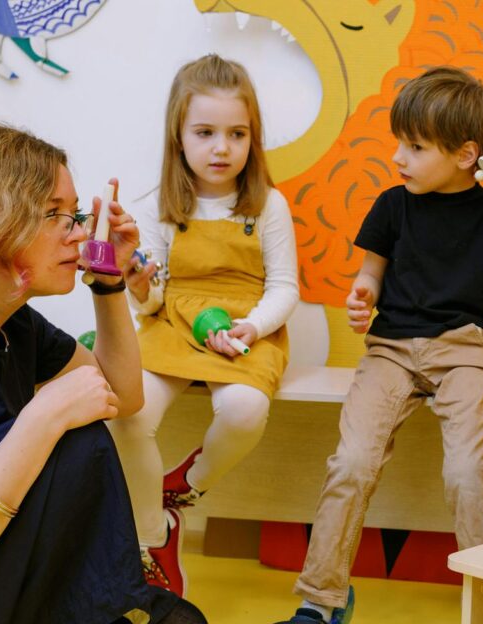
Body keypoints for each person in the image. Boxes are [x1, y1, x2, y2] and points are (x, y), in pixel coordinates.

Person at [275, 65, 483, 624]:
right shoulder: (392, 204)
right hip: (390, 349)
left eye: (414, 146)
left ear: (464, 154)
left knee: (466, 473)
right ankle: (321, 599)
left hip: (465, 350)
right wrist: (362, 295)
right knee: (352, 462)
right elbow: (370, 276)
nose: (399, 158)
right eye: (399, 143)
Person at [0, 122, 205, 623]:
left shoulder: (10, 319)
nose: (81, 232)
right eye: (54, 215)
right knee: (68, 435)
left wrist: (108, 285)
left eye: (76, 213)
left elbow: (122, 396)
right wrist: (41, 421)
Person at [106, 53, 299, 597]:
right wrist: (141, 288)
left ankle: (182, 489)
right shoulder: (159, 206)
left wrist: (253, 328)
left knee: (243, 409)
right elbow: (153, 300)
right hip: (174, 322)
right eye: (206, 132)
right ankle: (153, 534)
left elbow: (285, 288)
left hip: (244, 324)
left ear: (252, 139)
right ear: (179, 136)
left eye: (237, 133)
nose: (222, 147)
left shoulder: (268, 205)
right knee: (128, 414)